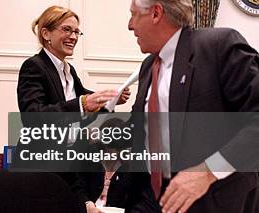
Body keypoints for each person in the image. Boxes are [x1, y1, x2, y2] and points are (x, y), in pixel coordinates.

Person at [126, 0, 259, 212]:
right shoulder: (148, 66)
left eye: (133, 15)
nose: (130, 25)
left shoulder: (218, 46)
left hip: (213, 200)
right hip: (152, 198)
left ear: (156, 13)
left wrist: (207, 172)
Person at [17, 5, 130, 213]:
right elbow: (32, 118)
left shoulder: (69, 71)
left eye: (77, 31)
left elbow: (83, 106)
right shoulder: (34, 66)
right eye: (67, 29)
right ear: (46, 33)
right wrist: (83, 103)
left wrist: (109, 100)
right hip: (41, 169)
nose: (74, 36)